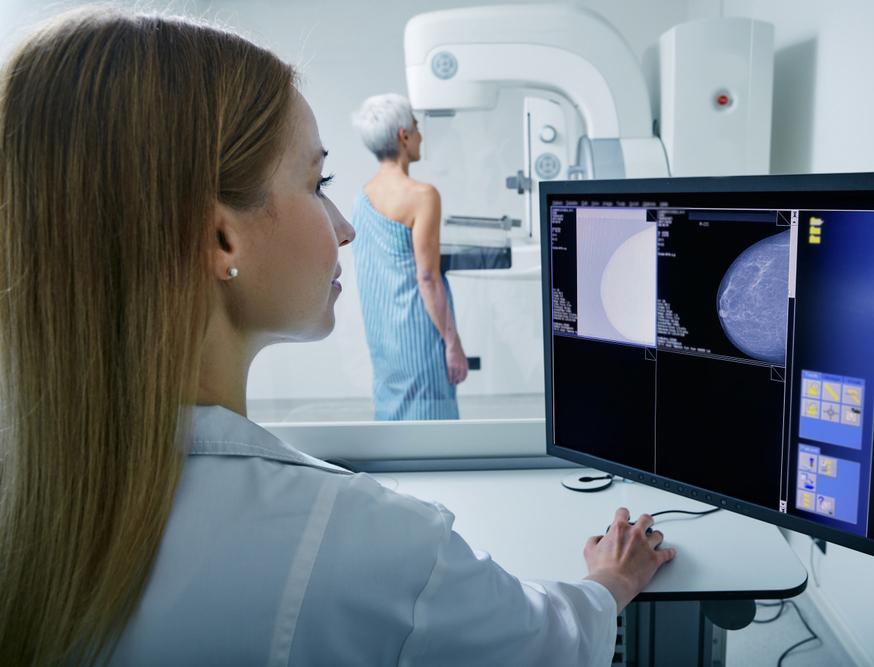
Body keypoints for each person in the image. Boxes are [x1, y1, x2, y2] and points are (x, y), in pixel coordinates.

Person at [0, 7, 676, 667]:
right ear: (220, 237)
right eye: (315, 182)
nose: (343, 228)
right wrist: (610, 581)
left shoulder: (34, 497)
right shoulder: (370, 545)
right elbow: (550, 643)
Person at [351, 94, 467, 420]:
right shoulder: (423, 196)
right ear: (404, 136)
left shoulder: (361, 199)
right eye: (417, 127)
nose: (421, 136)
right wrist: (452, 343)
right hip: (420, 336)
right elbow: (427, 278)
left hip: (385, 343)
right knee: (432, 434)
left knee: (396, 431)